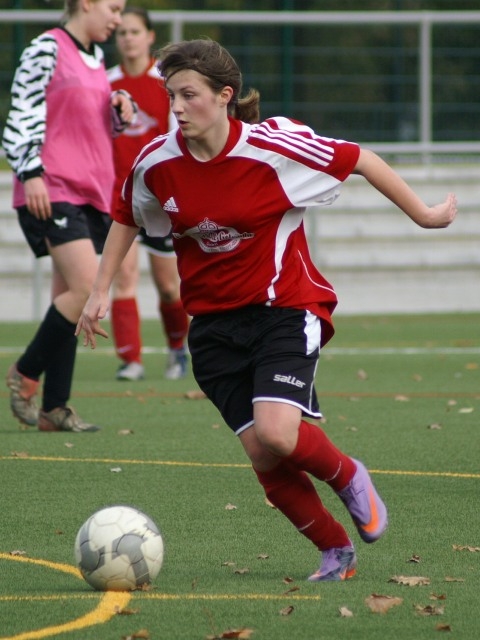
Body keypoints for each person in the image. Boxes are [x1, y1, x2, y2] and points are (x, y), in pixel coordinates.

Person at [76, 39, 457, 579]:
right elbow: (127, 216)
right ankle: (336, 552)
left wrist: (423, 215)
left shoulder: (274, 146)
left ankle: (348, 475)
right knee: (263, 454)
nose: (177, 108)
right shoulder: (157, 162)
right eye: (171, 96)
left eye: (189, 95)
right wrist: (98, 290)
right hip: (210, 326)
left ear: (224, 96)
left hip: (285, 307)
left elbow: (362, 160)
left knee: (279, 431)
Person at [2, 0, 136, 432]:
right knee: (85, 290)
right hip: (53, 185)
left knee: (71, 299)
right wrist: (31, 171)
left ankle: (53, 409)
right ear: (86, 3)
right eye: (114, 8)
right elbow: (22, 110)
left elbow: (83, 126)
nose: (118, 19)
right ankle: (24, 372)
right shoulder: (46, 48)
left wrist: (118, 111)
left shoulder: (97, 59)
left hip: (90, 191)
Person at [107, 7, 190, 382]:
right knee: (123, 278)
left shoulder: (166, 82)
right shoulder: (105, 83)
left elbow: (179, 139)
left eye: (134, 31)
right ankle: (131, 361)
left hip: (159, 196)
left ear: (149, 36)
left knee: (169, 286)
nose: (127, 37)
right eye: (121, 32)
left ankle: (178, 351)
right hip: (119, 196)